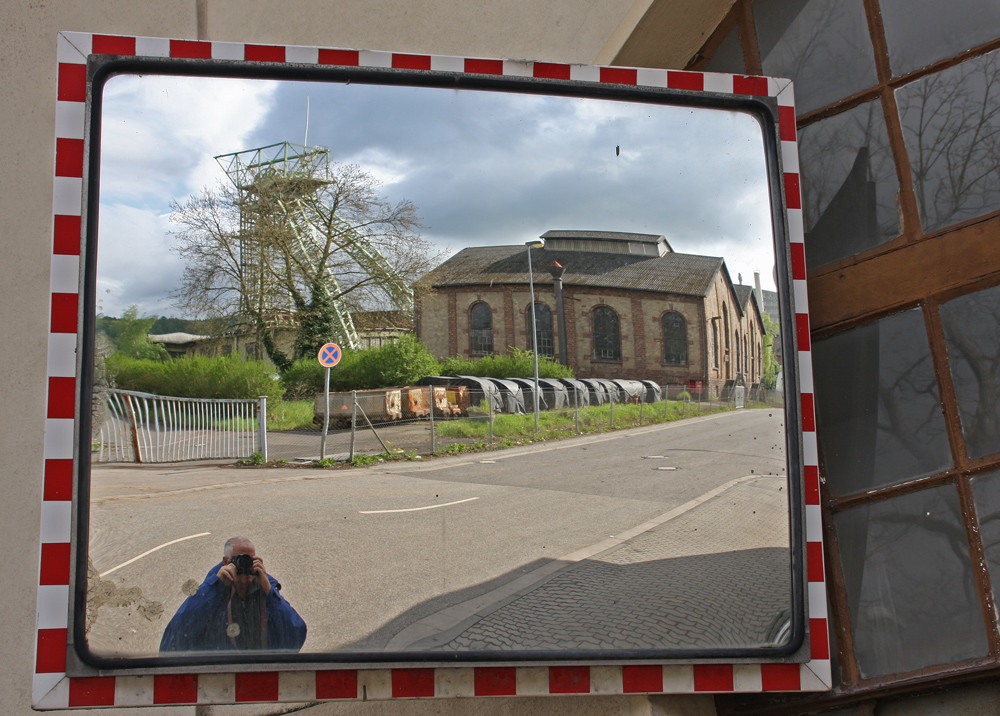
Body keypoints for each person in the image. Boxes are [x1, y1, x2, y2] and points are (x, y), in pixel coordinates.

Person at [159, 536, 307, 653]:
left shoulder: (266, 592)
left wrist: (270, 592)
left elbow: (296, 636)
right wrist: (213, 588)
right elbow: (172, 644)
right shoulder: (212, 594)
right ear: (226, 562)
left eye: (250, 560)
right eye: (240, 560)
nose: (246, 565)